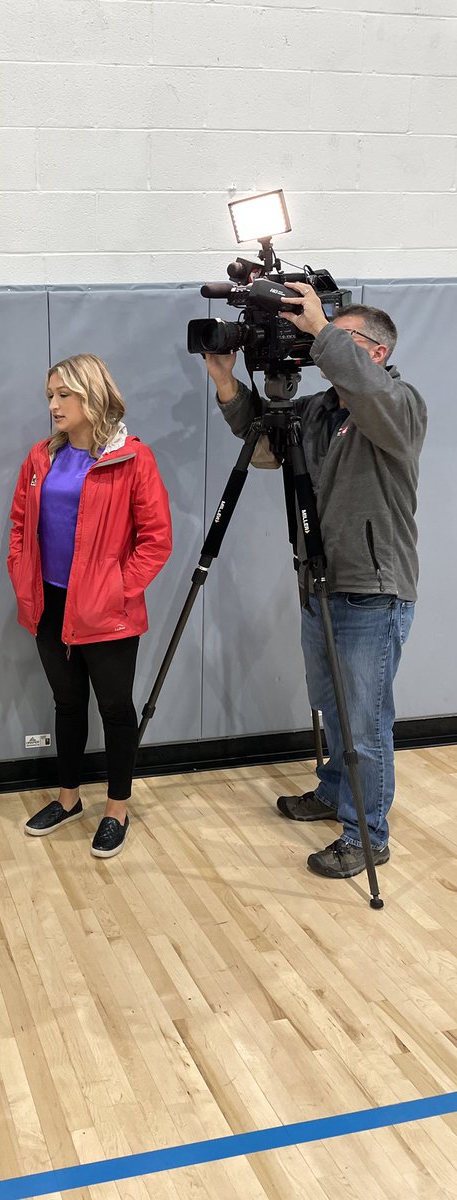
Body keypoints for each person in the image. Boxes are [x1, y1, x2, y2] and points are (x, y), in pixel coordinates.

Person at [207, 284, 426, 879]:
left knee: (365, 721)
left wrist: (319, 327)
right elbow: (265, 452)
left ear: (374, 352)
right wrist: (227, 380)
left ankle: (367, 835)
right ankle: (334, 793)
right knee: (333, 708)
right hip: (321, 585)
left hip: (371, 588)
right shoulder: (321, 410)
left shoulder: (399, 404)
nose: (311, 341)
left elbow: (375, 399)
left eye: (331, 334)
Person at [8, 354, 172, 858]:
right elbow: (19, 527)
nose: (54, 405)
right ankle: (68, 798)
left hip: (108, 613)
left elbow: (156, 540)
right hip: (49, 606)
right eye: (50, 396)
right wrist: (22, 576)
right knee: (67, 705)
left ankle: (117, 807)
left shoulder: (132, 459)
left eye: (64, 395)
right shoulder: (41, 458)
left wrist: (118, 590)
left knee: (116, 710)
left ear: (91, 395)